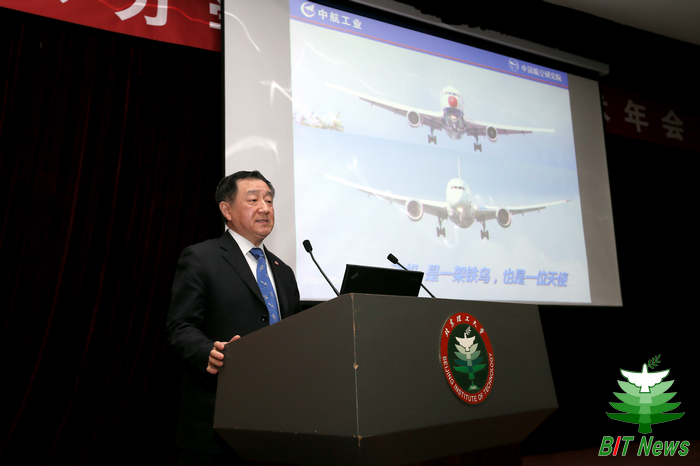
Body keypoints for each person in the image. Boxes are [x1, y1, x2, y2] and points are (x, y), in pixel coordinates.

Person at [166, 170, 301, 465]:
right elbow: (180, 326)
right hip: (217, 420)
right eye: (253, 200)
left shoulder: (284, 271)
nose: (265, 208)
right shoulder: (201, 258)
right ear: (226, 210)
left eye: (269, 200)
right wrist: (208, 352)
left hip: (277, 417)